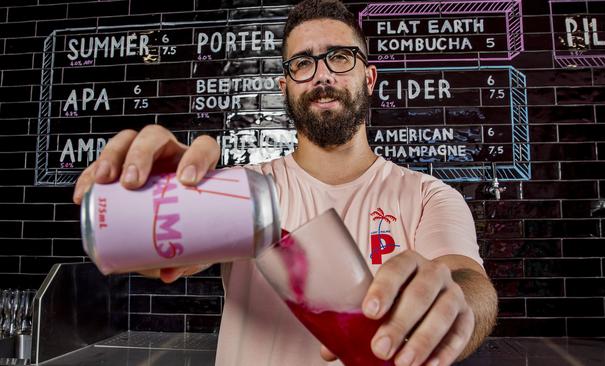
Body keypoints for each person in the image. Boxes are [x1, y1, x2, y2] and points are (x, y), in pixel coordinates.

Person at [73, 0, 498, 365]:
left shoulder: (427, 196)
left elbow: (468, 282)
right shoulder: (240, 191)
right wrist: (149, 201)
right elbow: (163, 262)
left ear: (368, 77)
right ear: (285, 87)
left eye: (340, 57)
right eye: (303, 63)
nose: (322, 75)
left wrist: (450, 304)